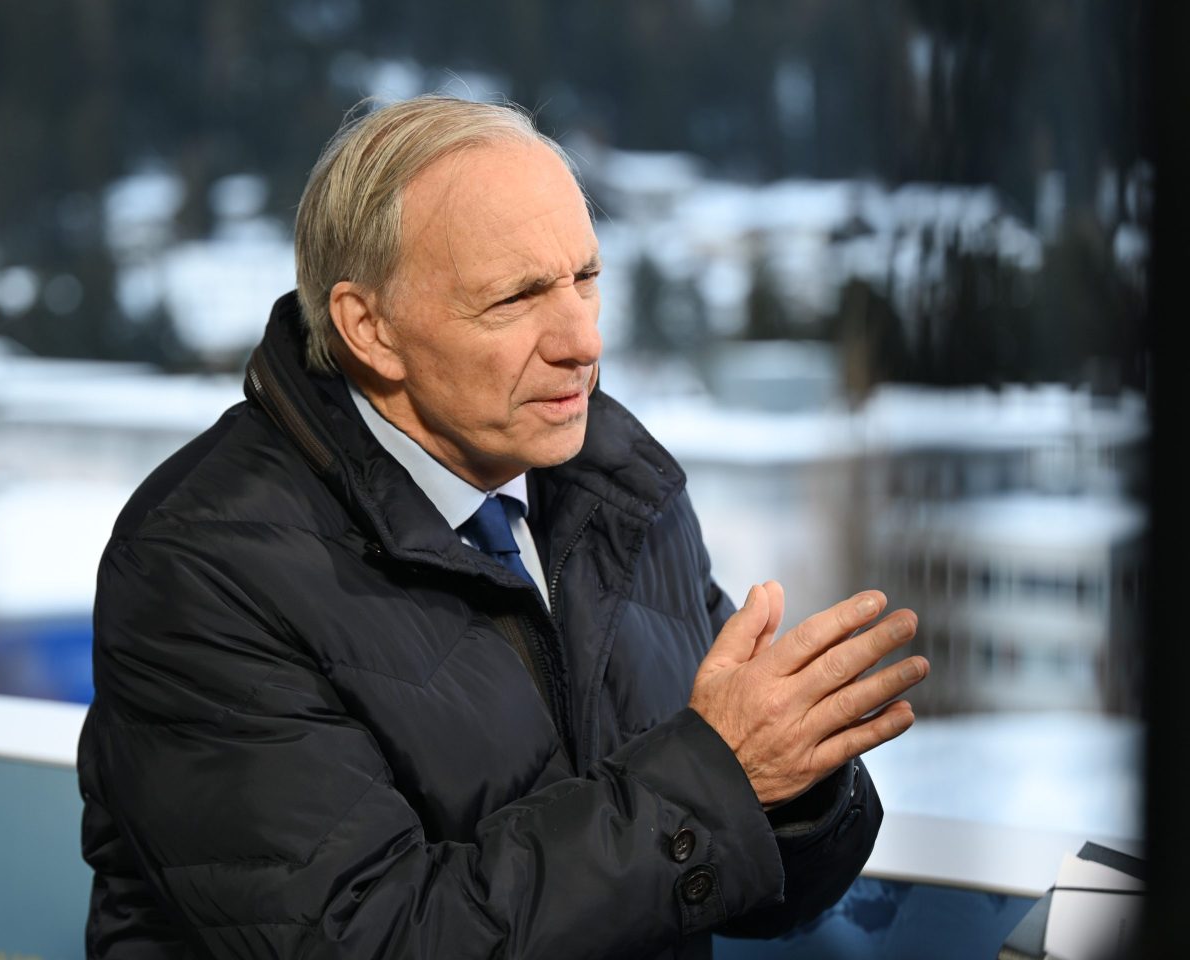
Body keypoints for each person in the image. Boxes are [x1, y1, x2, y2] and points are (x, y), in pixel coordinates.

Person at [77, 95, 928, 959]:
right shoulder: (202, 564)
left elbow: (716, 882)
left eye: (586, 278)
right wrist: (715, 779)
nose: (581, 341)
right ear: (370, 328)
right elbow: (369, 940)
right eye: (517, 297)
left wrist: (797, 790)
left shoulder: (620, 479)